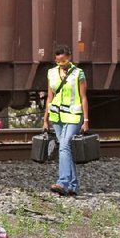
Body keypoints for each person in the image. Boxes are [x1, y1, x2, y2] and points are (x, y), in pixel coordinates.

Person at [43, 44, 89, 196]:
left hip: (74, 116)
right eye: (58, 61)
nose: (60, 64)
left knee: (64, 146)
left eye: (63, 61)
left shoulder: (78, 73)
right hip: (57, 117)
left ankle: (62, 182)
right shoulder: (51, 73)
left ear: (69, 58)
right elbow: (49, 97)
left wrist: (86, 120)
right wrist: (45, 119)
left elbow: (83, 97)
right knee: (66, 149)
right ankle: (73, 186)